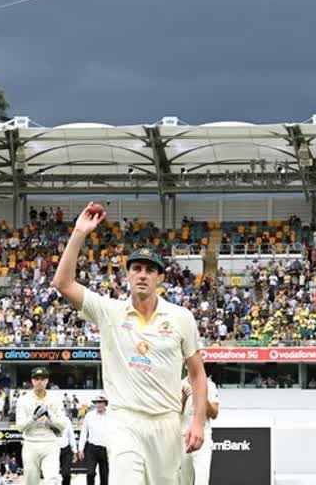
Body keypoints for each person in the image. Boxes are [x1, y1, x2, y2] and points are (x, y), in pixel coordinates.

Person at [51, 202, 208, 485]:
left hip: (166, 423)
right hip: (124, 420)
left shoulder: (181, 317)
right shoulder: (109, 311)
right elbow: (63, 283)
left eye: (150, 269)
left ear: (160, 277)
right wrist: (79, 232)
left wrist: (196, 421)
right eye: (136, 268)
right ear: (128, 275)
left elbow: (197, 373)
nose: (143, 274)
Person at [16, 367, 66, 485]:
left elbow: (62, 425)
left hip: (50, 443)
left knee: (52, 479)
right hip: (30, 443)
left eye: (42, 379)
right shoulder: (24, 399)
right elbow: (20, 427)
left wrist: (50, 416)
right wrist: (33, 418)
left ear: (47, 380)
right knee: (31, 481)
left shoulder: (55, 399)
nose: (39, 382)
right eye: (36, 379)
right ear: (32, 381)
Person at [179, 371, 220, 485]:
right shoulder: (179, 385)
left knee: (202, 479)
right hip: (183, 439)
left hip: (203, 438)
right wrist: (183, 400)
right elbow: (174, 416)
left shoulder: (210, 386)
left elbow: (214, 414)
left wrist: (203, 398)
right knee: (184, 481)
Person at [78, 395, 109, 485]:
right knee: (90, 473)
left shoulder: (111, 416)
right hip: (92, 448)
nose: (99, 404)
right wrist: (80, 449)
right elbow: (84, 433)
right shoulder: (89, 416)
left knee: (104, 475)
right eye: (97, 402)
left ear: (105, 404)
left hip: (106, 449)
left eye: (101, 402)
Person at [58, 416, 78, 485]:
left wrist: (75, 451)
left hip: (65, 449)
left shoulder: (66, 419)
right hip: (52, 450)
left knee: (66, 474)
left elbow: (71, 436)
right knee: (52, 475)